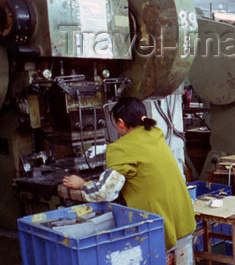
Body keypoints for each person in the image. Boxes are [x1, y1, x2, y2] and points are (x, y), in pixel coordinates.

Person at [62, 97, 196, 250]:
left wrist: (82, 184)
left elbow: (104, 192)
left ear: (120, 123)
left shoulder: (120, 149)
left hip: (161, 229)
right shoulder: (155, 134)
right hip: (184, 222)